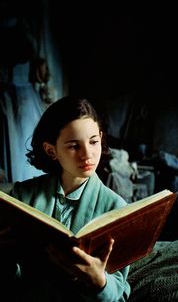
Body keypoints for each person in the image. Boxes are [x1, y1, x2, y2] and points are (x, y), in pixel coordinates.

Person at [0, 96, 131, 301]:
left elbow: (119, 294)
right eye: (73, 146)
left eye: (94, 141)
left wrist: (100, 283)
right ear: (51, 150)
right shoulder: (22, 196)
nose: (87, 154)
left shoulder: (117, 208)